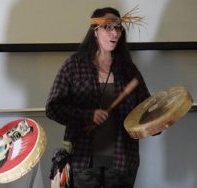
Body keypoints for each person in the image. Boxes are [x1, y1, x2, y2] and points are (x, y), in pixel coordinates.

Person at [46, 7, 150, 188]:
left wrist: (157, 121)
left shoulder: (128, 70)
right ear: (95, 31)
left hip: (122, 161)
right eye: (108, 28)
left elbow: (145, 108)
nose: (114, 33)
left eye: (118, 28)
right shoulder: (74, 66)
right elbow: (53, 108)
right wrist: (88, 115)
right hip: (83, 161)